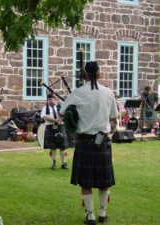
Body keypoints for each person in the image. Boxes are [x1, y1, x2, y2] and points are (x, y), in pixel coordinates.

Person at [60, 61, 118, 225]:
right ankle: (102, 213)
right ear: (99, 74)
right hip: (102, 141)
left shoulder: (78, 92)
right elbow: (114, 116)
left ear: (85, 75)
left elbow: (63, 111)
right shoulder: (108, 92)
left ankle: (90, 216)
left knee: (86, 181)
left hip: (84, 141)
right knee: (103, 181)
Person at [41, 93, 69, 170]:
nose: (51, 101)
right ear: (47, 100)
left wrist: (61, 117)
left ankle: (64, 163)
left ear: (55, 99)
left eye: (52, 99)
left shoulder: (60, 107)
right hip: (50, 128)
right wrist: (55, 120)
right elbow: (45, 117)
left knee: (63, 147)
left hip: (60, 128)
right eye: (49, 99)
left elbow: (66, 114)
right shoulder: (45, 108)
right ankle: (54, 163)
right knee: (53, 147)